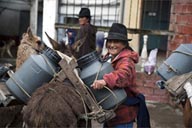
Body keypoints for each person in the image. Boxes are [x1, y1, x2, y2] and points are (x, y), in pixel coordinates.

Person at [91, 23, 150, 128]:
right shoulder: (109, 57)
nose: (112, 45)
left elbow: (123, 74)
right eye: (110, 41)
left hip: (123, 115)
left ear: (124, 44)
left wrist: (105, 81)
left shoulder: (127, 60)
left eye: (116, 41)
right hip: (112, 112)